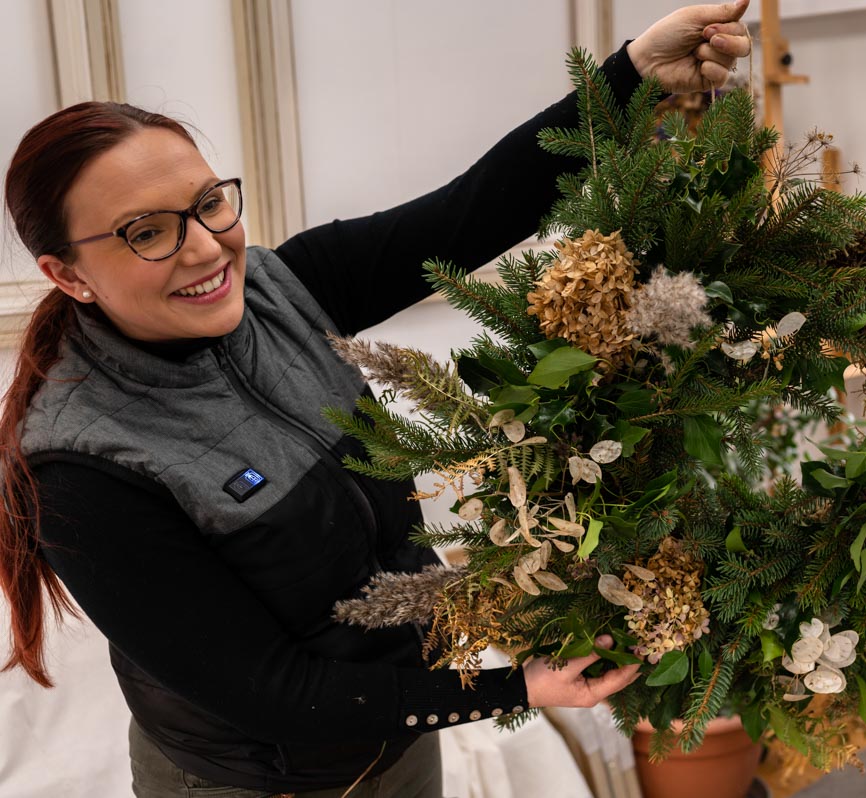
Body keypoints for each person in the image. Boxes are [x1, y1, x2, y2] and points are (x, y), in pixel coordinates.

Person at [0, 3, 751, 796]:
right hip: (260, 781)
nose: (204, 246)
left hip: (395, 735)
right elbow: (270, 692)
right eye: (146, 232)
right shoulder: (83, 469)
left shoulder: (286, 292)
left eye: (209, 203)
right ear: (68, 274)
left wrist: (633, 74)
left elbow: (472, 211)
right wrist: (516, 688)